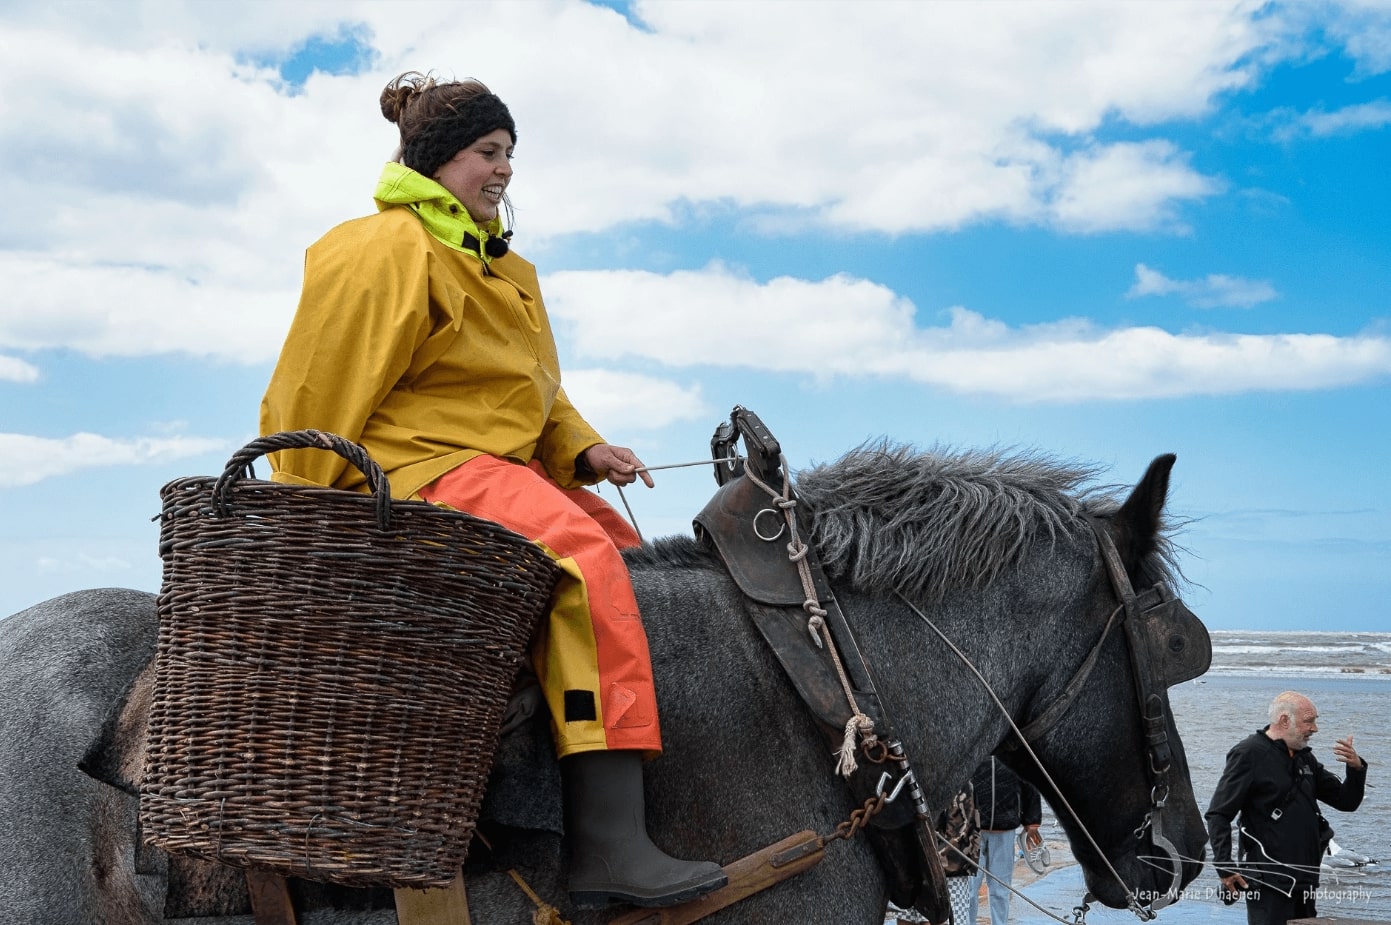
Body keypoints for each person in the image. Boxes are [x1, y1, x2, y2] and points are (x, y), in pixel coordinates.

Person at [259, 71, 726, 909]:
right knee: (583, 556)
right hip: (412, 472)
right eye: (488, 151)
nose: (504, 168)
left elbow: (534, 390)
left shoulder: (510, 270)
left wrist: (585, 451)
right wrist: (308, 509)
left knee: (633, 560)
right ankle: (607, 850)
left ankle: (605, 797)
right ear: (438, 159)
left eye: (509, 152)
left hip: (494, 473)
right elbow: (312, 388)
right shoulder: (382, 248)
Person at [1206, 691, 1367, 925]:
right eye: (1309, 721)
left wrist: (1356, 769)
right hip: (1268, 881)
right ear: (1284, 720)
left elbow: (1346, 802)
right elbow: (1218, 815)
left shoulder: (1305, 759)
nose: (1315, 728)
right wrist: (1225, 867)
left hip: (1306, 879)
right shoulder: (1248, 753)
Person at [967, 756, 1042, 925]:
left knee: (1001, 890)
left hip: (1005, 829)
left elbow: (1029, 780)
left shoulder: (1011, 747)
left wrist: (1032, 820)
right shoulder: (974, 744)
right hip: (973, 830)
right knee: (969, 891)